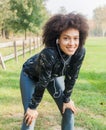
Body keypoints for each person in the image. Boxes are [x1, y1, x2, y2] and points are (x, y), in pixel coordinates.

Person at [20, 12, 89, 130]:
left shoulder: (80, 52)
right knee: (30, 117)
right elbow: (42, 83)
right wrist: (32, 107)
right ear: (58, 39)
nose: (72, 43)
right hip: (30, 76)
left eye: (75, 38)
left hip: (51, 77)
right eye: (66, 38)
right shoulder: (49, 54)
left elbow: (72, 76)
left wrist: (67, 99)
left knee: (68, 110)